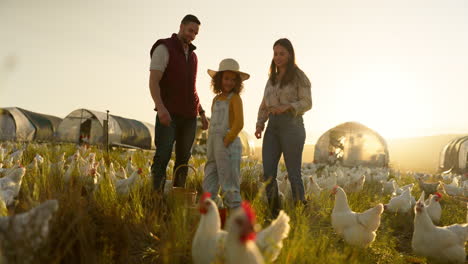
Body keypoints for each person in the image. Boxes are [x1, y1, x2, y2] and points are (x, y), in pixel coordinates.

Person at [149, 14, 208, 193]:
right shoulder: (164, 48)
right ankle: (156, 197)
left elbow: (192, 89)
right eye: (190, 30)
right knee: (163, 156)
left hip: (189, 117)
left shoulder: (193, 56)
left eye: (196, 33)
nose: (192, 35)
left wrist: (202, 113)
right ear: (181, 26)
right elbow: (154, 81)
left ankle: (178, 198)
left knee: (183, 160)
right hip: (169, 114)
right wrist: (161, 108)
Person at [255, 38, 312, 217]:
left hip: (292, 125)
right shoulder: (271, 79)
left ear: (290, 55)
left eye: (282, 53)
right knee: (268, 173)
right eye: (275, 53)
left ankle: (299, 212)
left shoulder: (299, 76)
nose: (278, 57)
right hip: (272, 126)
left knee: (293, 172)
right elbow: (264, 104)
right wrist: (259, 123)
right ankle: (274, 213)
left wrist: (288, 106)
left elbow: (307, 102)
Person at [203, 58, 249, 211]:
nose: (229, 82)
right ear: (219, 79)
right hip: (213, 143)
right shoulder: (216, 99)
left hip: (227, 143)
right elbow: (213, 123)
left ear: (237, 83)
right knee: (210, 175)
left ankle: (236, 215)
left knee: (229, 180)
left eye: (233, 80)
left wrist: (226, 140)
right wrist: (212, 143)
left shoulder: (235, 99)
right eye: (226, 78)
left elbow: (239, 123)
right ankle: (211, 211)